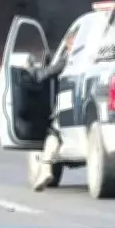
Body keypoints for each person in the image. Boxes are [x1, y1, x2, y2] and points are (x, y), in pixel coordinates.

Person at [32, 32, 76, 192]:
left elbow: (47, 73)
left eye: (68, 45)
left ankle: (45, 169)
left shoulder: (69, 60)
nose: (68, 48)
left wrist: (31, 72)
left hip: (68, 105)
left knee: (54, 132)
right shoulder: (89, 58)